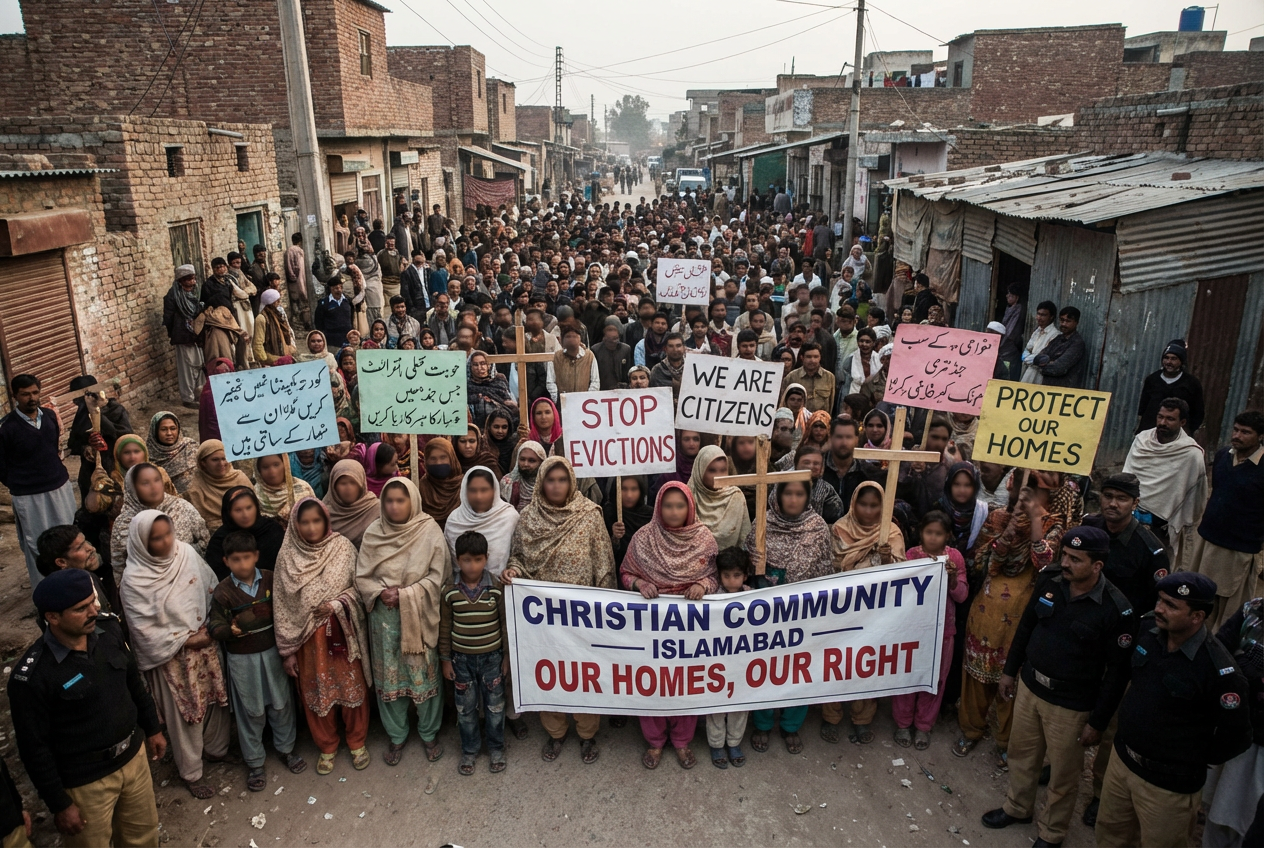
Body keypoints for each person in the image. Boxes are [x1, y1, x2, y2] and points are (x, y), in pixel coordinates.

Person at [983, 526, 1137, 848]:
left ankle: (1051, 833)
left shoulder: (1116, 609)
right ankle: (1018, 807)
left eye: (1075, 559)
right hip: (1030, 688)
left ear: (1097, 566)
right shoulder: (1050, 579)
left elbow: (1117, 673)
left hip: (1071, 705)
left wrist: (1097, 722)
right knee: (1022, 755)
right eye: (1065, 555)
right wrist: (1010, 672)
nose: (1065, 563)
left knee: (1064, 776)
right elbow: (1027, 625)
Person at [9, 569, 165, 848]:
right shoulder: (32, 676)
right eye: (80, 609)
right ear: (52, 617)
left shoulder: (109, 631)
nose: (93, 612)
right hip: (86, 783)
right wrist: (59, 803)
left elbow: (133, 683)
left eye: (92, 603)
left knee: (143, 837)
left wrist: (153, 728)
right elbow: (34, 748)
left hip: (133, 759)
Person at [1095, 573, 1251, 848]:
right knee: (1109, 835)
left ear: (1197, 616)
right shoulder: (1146, 630)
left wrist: (1189, 758)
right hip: (1122, 764)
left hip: (1168, 788)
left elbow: (1236, 737)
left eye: (1171, 605)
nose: (1159, 608)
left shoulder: (1220, 672)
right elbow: (1122, 676)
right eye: (1160, 600)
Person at [501, 457, 615, 764]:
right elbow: (519, 559)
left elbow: (604, 565)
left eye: (562, 480)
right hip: (543, 621)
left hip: (582, 617)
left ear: (572, 481)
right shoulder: (527, 518)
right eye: (549, 480)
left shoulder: (590, 515)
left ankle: (588, 734)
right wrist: (512, 571)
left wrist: (605, 611)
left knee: (583, 675)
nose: (556, 486)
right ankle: (555, 733)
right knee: (549, 675)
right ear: (540, 482)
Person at [121, 512, 230, 799]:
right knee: (183, 716)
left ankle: (217, 750)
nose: (166, 541)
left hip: (205, 644)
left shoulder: (187, 553)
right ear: (142, 542)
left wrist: (209, 627)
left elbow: (210, 587)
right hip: (171, 659)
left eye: (168, 533)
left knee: (215, 702)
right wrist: (185, 640)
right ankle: (191, 772)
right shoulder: (134, 581)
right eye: (156, 538)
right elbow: (143, 630)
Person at [620, 483, 718, 770]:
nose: (673, 512)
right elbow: (625, 573)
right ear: (659, 506)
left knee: (685, 683)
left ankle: (682, 740)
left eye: (679, 505)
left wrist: (702, 584)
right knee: (651, 682)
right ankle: (654, 741)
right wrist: (640, 583)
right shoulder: (643, 538)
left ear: (689, 507)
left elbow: (715, 578)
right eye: (668, 505)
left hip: (689, 630)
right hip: (651, 629)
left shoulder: (704, 539)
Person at [274, 498, 373, 775]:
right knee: (317, 693)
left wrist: (337, 604)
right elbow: (281, 606)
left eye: (316, 520)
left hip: (342, 635)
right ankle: (327, 746)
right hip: (307, 643)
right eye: (304, 522)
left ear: (326, 521)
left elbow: (360, 589)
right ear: (295, 525)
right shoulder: (287, 556)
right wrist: (287, 651)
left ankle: (357, 742)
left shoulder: (342, 548)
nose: (310, 527)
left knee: (352, 688)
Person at [955, 481, 1052, 761]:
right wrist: (1009, 529)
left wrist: (1033, 521)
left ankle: (1005, 742)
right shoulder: (997, 518)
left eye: (1033, 490)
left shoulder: (1052, 525)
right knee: (976, 676)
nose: (1024, 495)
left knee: (1012, 683)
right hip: (986, 613)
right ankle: (971, 731)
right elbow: (983, 562)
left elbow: (1047, 564)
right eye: (1020, 488)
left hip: (1022, 619)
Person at [356, 478, 449, 767]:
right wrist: (379, 593)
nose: (394, 506)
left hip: (418, 617)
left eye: (400, 500)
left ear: (413, 501)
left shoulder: (429, 530)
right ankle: (396, 735)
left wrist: (407, 594)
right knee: (390, 679)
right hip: (383, 620)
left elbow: (439, 577)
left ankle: (429, 732)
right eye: (389, 500)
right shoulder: (373, 533)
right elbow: (361, 577)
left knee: (423, 677)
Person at [208, 531, 306, 790]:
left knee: (281, 703)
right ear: (226, 561)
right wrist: (228, 630)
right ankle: (254, 763)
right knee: (250, 710)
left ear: (256, 556)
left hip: (273, 654)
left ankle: (286, 750)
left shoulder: (271, 580)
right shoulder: (222, 592)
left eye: (247, 558)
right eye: (236, 559)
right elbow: (215, 625)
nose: (242, 564)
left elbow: (286, 609)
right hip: (242, 660)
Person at [746, 480, 833, 753]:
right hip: (764, 606)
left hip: (803, 608)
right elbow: (746, 567)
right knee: (762, 665)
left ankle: (791, 725)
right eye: (788, 493)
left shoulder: (817, 527)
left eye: (799, 494)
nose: (793, 499)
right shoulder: (763, 523)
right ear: (777, 496)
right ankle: (762, 721)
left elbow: (824, 573)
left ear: (807, 497)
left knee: (798, 666)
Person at [822, 481, 906, 743]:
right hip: (839, 608)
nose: (868, 511)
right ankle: (831, 716)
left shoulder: (891, 533)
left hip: (874, 612)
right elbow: (829, 566)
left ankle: (862, 717)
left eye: (874, 505)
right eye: (863, 504)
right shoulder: (839, 529)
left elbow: (903, 575)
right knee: (833, 663)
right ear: (853, 503)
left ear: (883, 506)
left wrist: (887, 559)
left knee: (865, 664)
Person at [892, 512, 968, 750]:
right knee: (907, 676)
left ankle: (924, 726)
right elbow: (900, 590)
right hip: (912, 630)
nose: (933, 538)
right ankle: (903, 723)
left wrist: (953, 579)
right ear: (921, 533)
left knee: (935, 679)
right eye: (929, 532)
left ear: (947, 536)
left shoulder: (954, 558)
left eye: (939, 534)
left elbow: (962, 595)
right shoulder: (911, 555)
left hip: (942, 631)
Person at [1186, 410, 1264, 630]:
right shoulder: (1222, 456)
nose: (1237, 435)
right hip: (1207, 539)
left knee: (1228, 608)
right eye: (1236, 429)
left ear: (1260, 436)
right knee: (1199, 595)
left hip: (1238, 547)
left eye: (1245, 432)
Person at [440, 531, 509, 775]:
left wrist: (506, 657)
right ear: (458, 560)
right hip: (461, 661)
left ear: (486, 558)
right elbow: (445, 628)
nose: (472, 565)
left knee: (495, 707)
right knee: (466, 710)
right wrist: (446, 660)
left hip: (492, 658)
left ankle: (496, 748)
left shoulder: (496, 589)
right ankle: (469, 750)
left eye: (478, 560)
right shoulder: (449, 591)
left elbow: (504, 625)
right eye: (467, 560)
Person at [0, 375, 78, 588]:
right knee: (38, 545)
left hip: (59, 487)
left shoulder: (51, 417)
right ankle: (48, 591)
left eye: (35, 392)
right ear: (15, 396)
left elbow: (53, 449)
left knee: (69, 537)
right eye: (25, 394)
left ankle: (76, 584)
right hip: (29, 496)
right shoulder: (6, 428)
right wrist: (23, 483)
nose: (31, 398)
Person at [1204, 597, 1264, 847]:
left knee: (1250, 822)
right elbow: (1219, 653)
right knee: (1218, 814)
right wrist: (1250, 673)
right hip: (1236, 731)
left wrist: (1242, 664)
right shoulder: (1253, 609)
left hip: (1261, 748)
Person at [1123, 398, 1207, 558]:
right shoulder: (1142, 441)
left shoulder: (1191, 454)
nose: (1163, 422)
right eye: (1160, 417)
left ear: (1182, 421)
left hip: (1162, 526)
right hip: (1129, 517)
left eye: (1170, 419)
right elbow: (1127, 476)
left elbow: (1195, 496)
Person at [110, 463, 210, 581]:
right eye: (145, 483)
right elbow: (119, 567)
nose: (153, 487)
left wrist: (181, 558)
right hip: (145, 591)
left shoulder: (181, 508)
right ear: (132, 487)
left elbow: (206, 544)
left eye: (157, 480)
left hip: (190, 582)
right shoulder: (123, 523)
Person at [705, 546, 752, 769]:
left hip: (742, 662)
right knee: (715, 701)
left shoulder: (754, 598)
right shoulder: (712, 599)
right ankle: (716, 744)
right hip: (717, 661)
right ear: (719, 575)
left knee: (740, 702)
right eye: (726, 575)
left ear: (745, 575)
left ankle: (734, 743)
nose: (731, 581)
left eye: (736, 575)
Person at [205, 487, 285, 582]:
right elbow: (217, 575)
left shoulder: (272, 530)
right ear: (229, 513)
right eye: (238, 510)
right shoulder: (219, 540)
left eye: (249, 507)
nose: (245, 515)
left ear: (256, 507)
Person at [689, 445, 752, 550]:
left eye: (723, 470)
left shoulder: (735, 497)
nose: (718, 476)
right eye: (712, 470)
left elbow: (744, 538)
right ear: (700, 470)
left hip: (729, 564)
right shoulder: (689, 496)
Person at [1135, 340, 1204, 435]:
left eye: (1173, 359)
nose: (1169, 362)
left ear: (1181, 361)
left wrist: (1187, 432)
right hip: (1150, 433)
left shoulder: (1191, 383)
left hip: (1176, 436)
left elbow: (1198, 413)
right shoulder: (1152, 380)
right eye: (1166, 358)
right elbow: (1143, 408)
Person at [185, 440, 253, 532]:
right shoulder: (195, 485)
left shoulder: (240, 479)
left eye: (224, 458)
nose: (221, 464)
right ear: (203, 463)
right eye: (215, 460)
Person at [162, 265, 205, 407]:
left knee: (199, 364)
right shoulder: (173, 296)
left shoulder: (192, 294)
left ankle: (199, 393)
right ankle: (188, 398)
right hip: (182, 335)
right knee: (187, 367)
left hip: (196, 336)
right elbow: (168, 318)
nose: (193, 282)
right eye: (189, 279)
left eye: (193, 279)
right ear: (181, 280)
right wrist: (177, 331)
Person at [322, 460, 380, 549]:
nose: (348, 488)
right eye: (343, 483)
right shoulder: (323, 513)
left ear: (361, 484)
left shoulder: (376, 509)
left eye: (353, 483)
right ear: (333, 486)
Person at [145, 412, 199, 495]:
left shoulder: (190, 446)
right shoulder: (147, 455)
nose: (169, 433)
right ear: (155, 431)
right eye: (163, 429)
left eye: (173, 428)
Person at [1033, 307, 1086, 388]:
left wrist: (1044, 365)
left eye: (1068, 321)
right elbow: (1037, 358)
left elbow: (1058, 368)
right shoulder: (1057, 338)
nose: (1064, 324)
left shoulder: (1077, 343)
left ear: (1076, 323)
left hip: (1064, 391)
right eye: (1062, 320)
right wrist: (1049, 362)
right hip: (1047, 388)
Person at [253, 289, 296, 366]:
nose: (279, 303)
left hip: (283, 359)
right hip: (271, 361)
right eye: (277, 300)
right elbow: (258, 343)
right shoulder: (261, 318)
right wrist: (264, 360)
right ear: (270, 302)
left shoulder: (277, 315)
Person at [1020, 300, 1059, 384]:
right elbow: (1027, 350)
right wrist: (1029, 358)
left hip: (1040, 375)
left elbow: (1044, 358)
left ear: (1051, 317)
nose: (1039, 318)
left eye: (1043, 315)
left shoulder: (1055, 335)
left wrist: (1031, 358)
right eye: (1038, 314)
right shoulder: (1037, 331)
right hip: (1028, 371)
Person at [501, 441, 546, 511]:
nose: (525, 464)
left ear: (541, 462)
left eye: (532, 461)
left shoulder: (548, 484)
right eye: (522, 459)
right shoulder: (507, 483)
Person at [284, 233, 309, 328]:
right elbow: (289, 265)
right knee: (296, 299)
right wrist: (292, 276)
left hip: (301, 277)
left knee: (302, 300)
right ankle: (299, 322)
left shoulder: (299, 250)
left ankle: (305, 321)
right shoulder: (291, 250)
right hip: (296, 279)